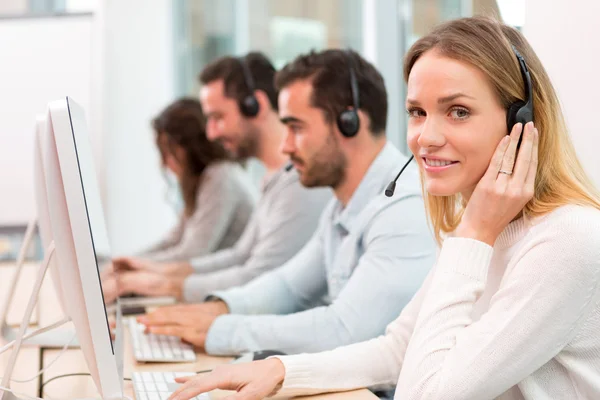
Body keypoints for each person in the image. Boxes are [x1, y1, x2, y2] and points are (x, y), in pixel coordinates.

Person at [166, 17, 600, 400]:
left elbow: (424, 393)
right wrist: (281, 371)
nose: (426, 137)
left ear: (521, 123)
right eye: (417, 111)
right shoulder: (488, 225)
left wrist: (474, 233)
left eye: (458, 111)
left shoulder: (562, 240)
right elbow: (398, 348)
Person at [137, 49, 435, 359]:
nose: (285, 145)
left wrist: (222, 329)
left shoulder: (403, 209)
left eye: (296, 128)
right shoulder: (341, 207)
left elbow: (343, 330)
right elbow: (287, 286)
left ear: (349, 123)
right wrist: (218, 308)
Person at [114, 52, 331, 301]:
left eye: (218, 118)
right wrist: (152, 271)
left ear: (255, 106)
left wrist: (159, 284)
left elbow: (257, 276)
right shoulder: (275, 179)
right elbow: (239, 256)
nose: (211, 133)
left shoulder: (299, 184)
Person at [137, 98, 257, 263]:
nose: (164, 163)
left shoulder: (220, 177)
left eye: (168, 152)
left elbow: (192, 254)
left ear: (190, 147)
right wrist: (121, 264)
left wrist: (131, 268)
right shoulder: (204, 182)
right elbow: (172, 241)